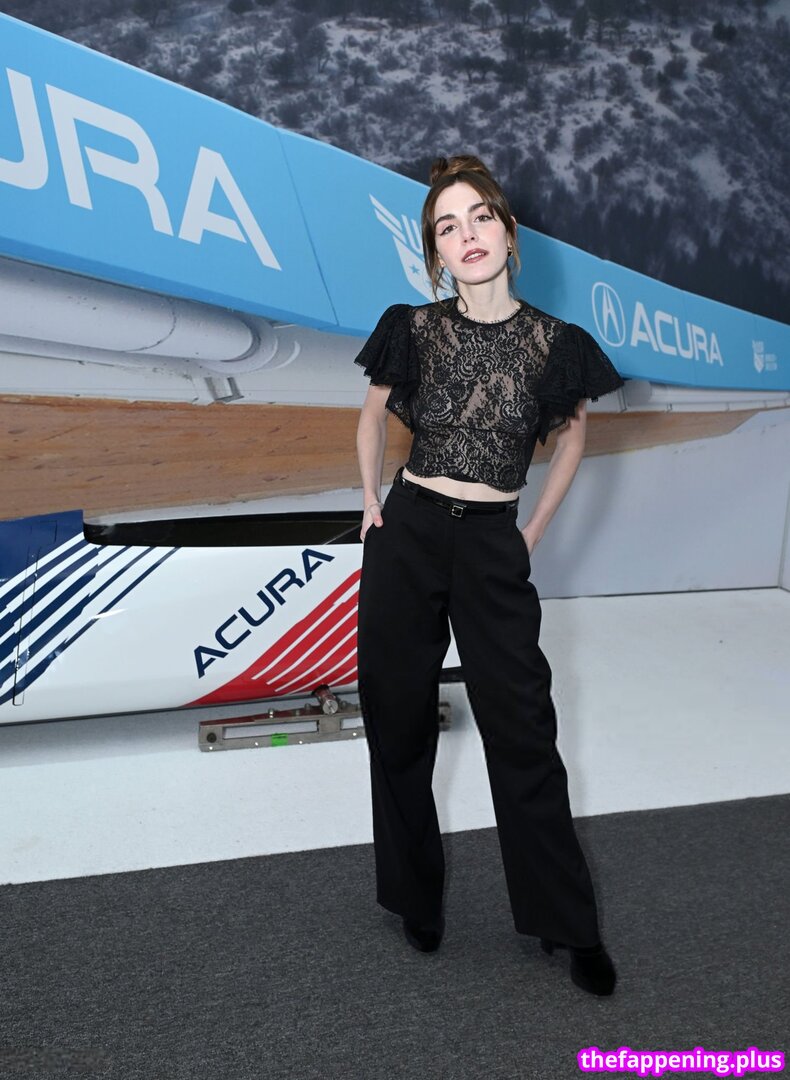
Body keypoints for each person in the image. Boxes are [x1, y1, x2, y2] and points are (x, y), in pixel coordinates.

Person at [353, 154, 625, 997]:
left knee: (523, 731)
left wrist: (531, 528)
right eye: (447, 226)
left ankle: (566, 924)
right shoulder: (413, 326)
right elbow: (371, 417)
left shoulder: (557, 344)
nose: (466, 235)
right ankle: (415, 897)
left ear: (508, 233)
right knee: (398, 718)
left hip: (492, 543)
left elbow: (572, 439)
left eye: (479, 218)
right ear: (435, 253)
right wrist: (369, 499)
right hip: (408, 534)